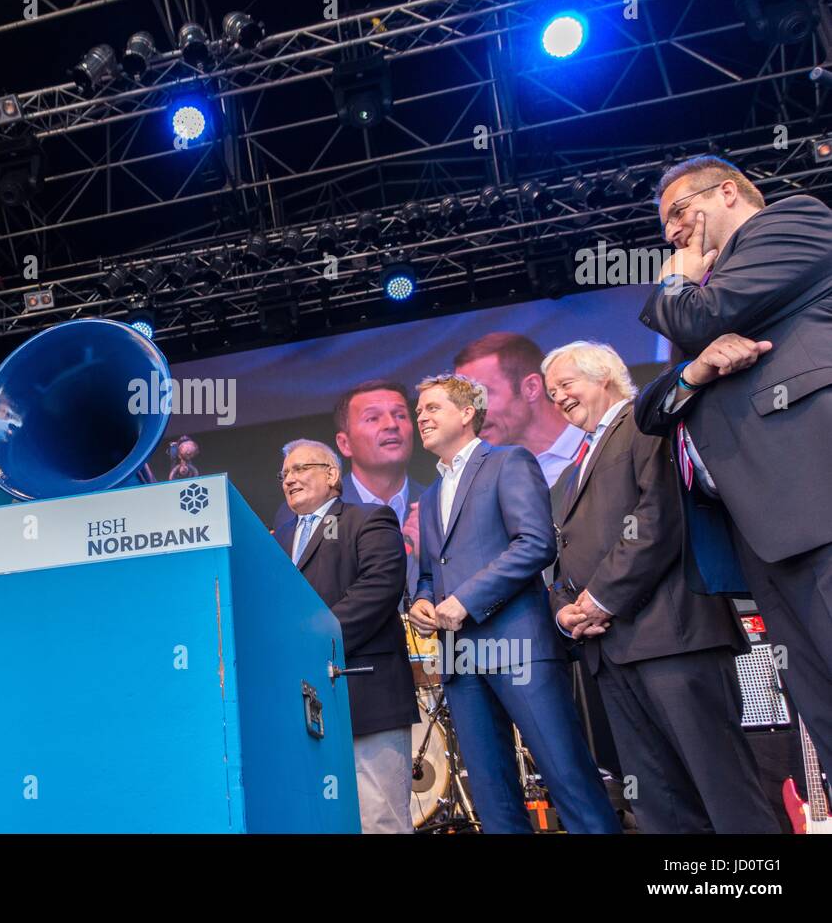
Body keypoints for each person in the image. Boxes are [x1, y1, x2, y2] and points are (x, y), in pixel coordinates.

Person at [634, 154, 832, 772]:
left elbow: (703, 316)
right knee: (819, 703)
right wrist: (699, 365)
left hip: (816, 501)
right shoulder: (715, 297)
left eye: (677, 213)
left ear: (726, 192)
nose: (671, 234)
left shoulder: (792, 222)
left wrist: (675, 281)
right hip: (763, 533)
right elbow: (651, 409)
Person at [543, 341, 778, 833]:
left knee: (722, 786)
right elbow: (564, 553)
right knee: (657, 801)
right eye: (550, 392)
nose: (558, 397)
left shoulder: (648, 422)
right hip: (608, 654)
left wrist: (602, 598)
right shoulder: (567, 474)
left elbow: (658, 517)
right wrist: (565, 608)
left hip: (674, 637)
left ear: (604, 375)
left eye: (566, 384)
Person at [408, 373, 619, 834]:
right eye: (418, 410)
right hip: (459, 658)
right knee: (491, 793)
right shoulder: (427, 495)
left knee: (567, 775)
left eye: (432, 408)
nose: (420, 417)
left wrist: (465, 599)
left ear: (467, 414)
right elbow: (428, 574)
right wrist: (423, 602)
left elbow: (536, 543)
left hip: (518, 644)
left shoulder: (508, 461)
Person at [273, 438, 419, 833]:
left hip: (366, 697)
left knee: (379, 819)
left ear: (332, 474)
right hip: (301, 705)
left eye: (302, 469)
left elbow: (378, 588)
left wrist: (312, 641)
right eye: (285, 473)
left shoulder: (370, 518)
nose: (290, 479)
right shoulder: (276, 540)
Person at [273, 380, 426, 593]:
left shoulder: (433, 501)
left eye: (400, 415)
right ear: (344, 443)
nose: (391, 425)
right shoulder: (299, 514)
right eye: (373, 418)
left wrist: (429, 552)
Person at [454, 332, 586, 487]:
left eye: (480, 395)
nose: (469, 413)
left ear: (531, 388)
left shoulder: (599, 446)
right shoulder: (486, 477)